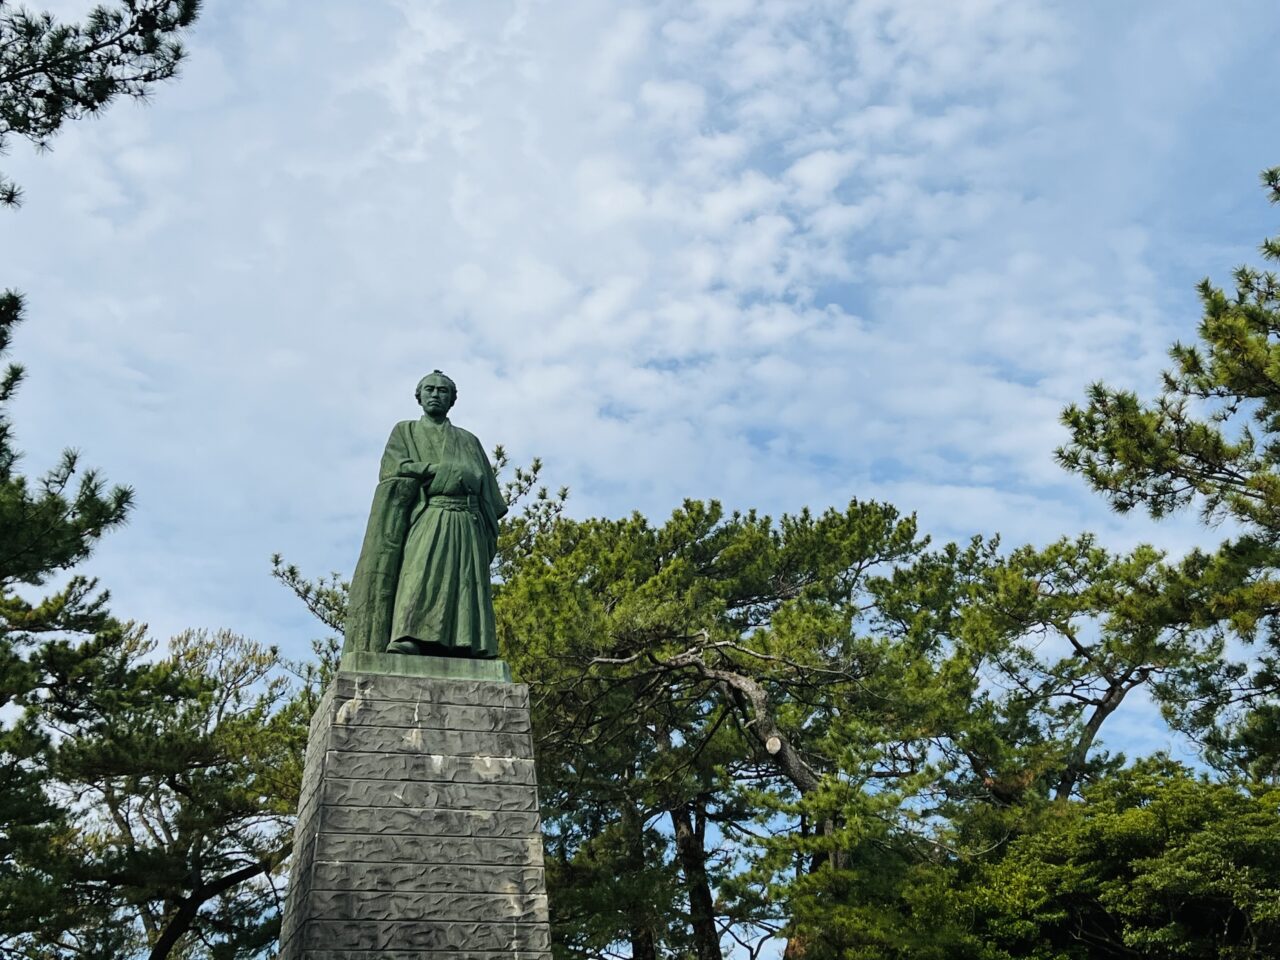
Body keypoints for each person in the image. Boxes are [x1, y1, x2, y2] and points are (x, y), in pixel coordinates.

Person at [343, 371, 507, 658]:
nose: (435, 395)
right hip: (429, 513)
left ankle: (467, 643)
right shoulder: (405, 431)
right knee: (419, 575)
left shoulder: (469, 440)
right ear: (418, 397)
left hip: (467, 520)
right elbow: (394, 469)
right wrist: (436, 470)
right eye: (429, 389)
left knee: (465, 582)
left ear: (452, 400)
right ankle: (409, 636)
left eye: (443, 391)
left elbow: (489, 494)